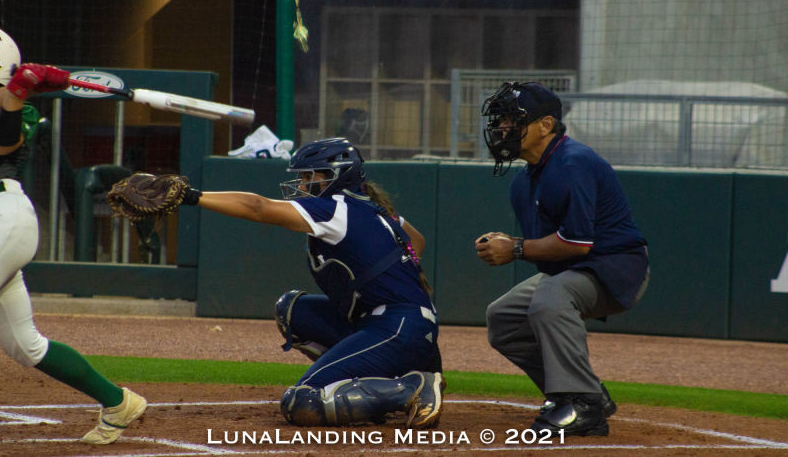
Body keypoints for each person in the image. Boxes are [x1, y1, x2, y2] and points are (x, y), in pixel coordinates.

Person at [180, 137, 444, 428]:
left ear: (337, 176)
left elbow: (258, 207)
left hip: (400, 329)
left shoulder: (336, 208)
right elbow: (416, 242)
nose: (303, 185)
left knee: (303, 402)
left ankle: (410, 387)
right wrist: (396, 274)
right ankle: (373, 382)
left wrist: (193, 196)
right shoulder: (369, 207)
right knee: (292, 310)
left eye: (309, 177)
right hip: (393, 323)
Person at [0, 24, 146, 445]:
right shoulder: (12, 100)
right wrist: (21, 86)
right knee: (25, 346)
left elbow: (4, 144)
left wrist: (18, 92)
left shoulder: (20, 113)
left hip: (2, 219)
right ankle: (118, 402)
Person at [475, 82, 649, 437]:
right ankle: (579, 392)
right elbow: (552, 250)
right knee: (504, 317)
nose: (504, 128)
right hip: (575, 270)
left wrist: (515, 248)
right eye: (502, 120)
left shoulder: (573, 162)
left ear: (546, 125)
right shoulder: (522, 182)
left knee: (549, 298)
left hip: (616, 266)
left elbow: (576, 243)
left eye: (513, 120)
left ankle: (584, 406)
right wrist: (513, 245)